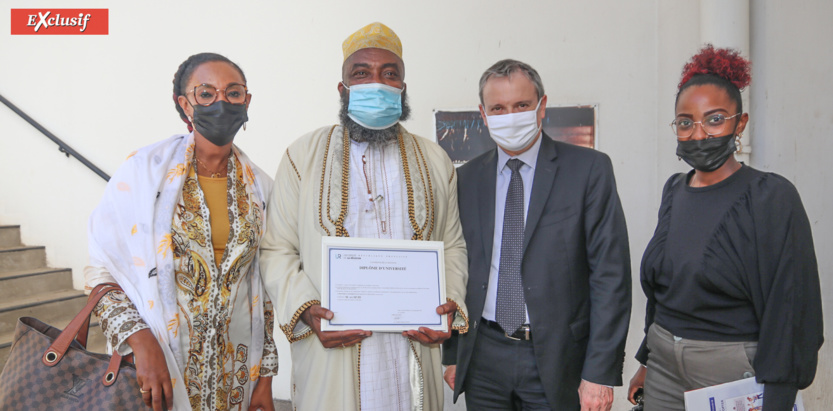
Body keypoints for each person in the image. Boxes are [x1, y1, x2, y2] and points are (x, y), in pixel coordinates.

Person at [258, 22, 468, 411]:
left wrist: (449, 303)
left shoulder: (435, 160)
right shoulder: (302, 155)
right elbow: (276, 250)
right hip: (335, 352)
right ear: (343, 90)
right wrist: (306, 310)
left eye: (390, 74)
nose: (377, 83)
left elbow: (452, 244)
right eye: (362, 73)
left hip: (412, 346)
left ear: (402, 89)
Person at [626, 45, 823, 411]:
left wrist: (777, 399)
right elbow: (668, 291)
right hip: (664, 367)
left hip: (732, 374)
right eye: (686, 122)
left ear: (740, 123)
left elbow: (793, 310)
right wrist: (647, 362)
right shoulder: (674, 190)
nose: (699, 134)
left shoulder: (770, 196)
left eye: (714, 119)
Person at [85, 52, 277, 411]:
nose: (221, 102)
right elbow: (101, 272)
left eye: (233, 93)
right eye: (206, 93)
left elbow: (263, 293)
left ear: (247, 101)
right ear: (184, 103)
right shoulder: (142, 173)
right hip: (155, 376)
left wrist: (264, 381)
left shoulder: (262, 190)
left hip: (235, 380)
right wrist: (142, 344)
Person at [442, 59, 632, 411]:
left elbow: (611, 277)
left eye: (522, 106)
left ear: (542, 108)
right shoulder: (466, 180)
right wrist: (454, 353)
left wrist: (600, 373)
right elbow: (459, 265)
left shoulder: (588, 170)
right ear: (483, 116)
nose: (509, 116)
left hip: (557, 357)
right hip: (483, 354)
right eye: (498, 108)